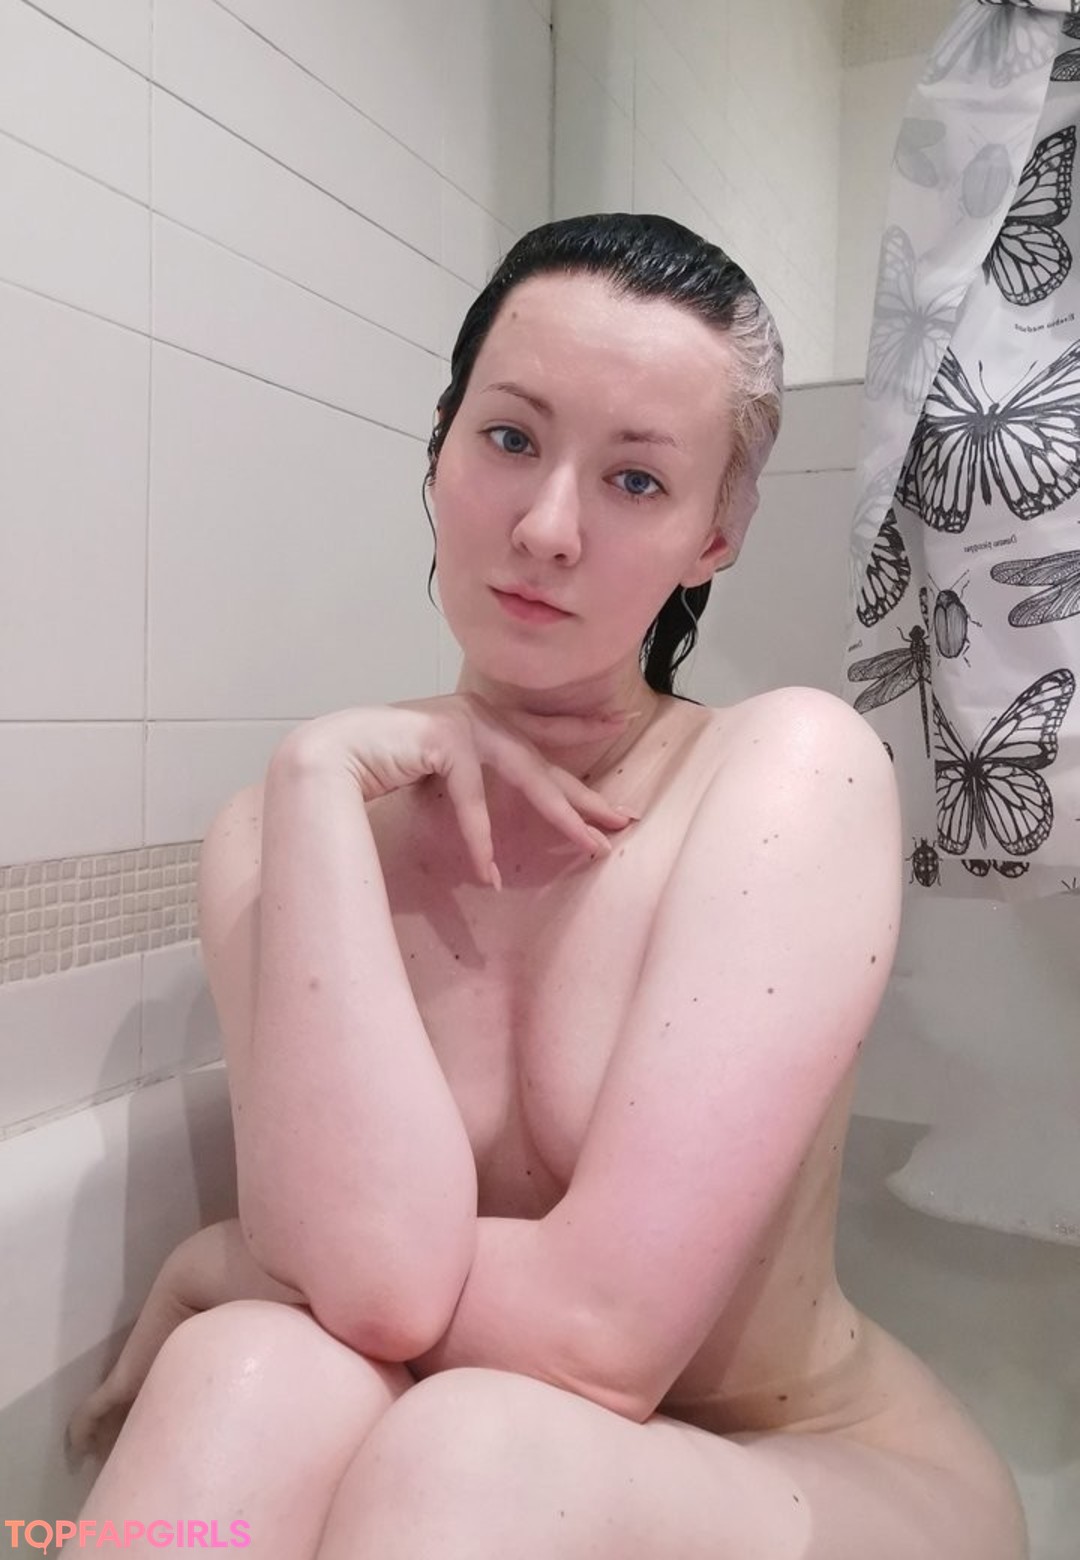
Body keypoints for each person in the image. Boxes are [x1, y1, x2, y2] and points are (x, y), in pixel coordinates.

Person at [70, 214, 1028, 1559]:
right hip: (486, 1448)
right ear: (440, 450)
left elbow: (597, 1343)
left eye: (637, 480)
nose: (548, 528)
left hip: (803, 1464)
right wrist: (312, 772)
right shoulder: (297, 824)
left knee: (470, 1450)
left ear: (715, 534)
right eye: (510, 439)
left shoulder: (787, 775)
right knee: (247, 1369)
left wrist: (224, 1255)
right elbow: (375, 1292)